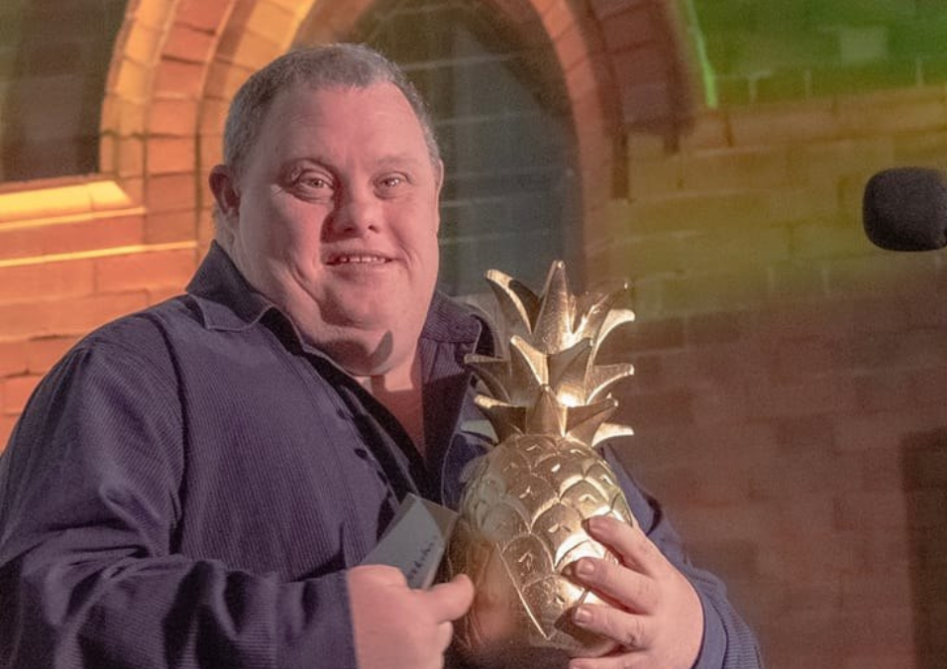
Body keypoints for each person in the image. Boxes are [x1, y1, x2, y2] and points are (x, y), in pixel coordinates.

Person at [0, 44, 761, 669]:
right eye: (312, 181)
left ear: (435, 196)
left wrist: (691, 634)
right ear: (230, 199)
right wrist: (317, 636)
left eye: (391, 181)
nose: (359, 214)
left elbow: (708, 615)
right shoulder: (137, 376)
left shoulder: (513, 381)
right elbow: (41, 613)